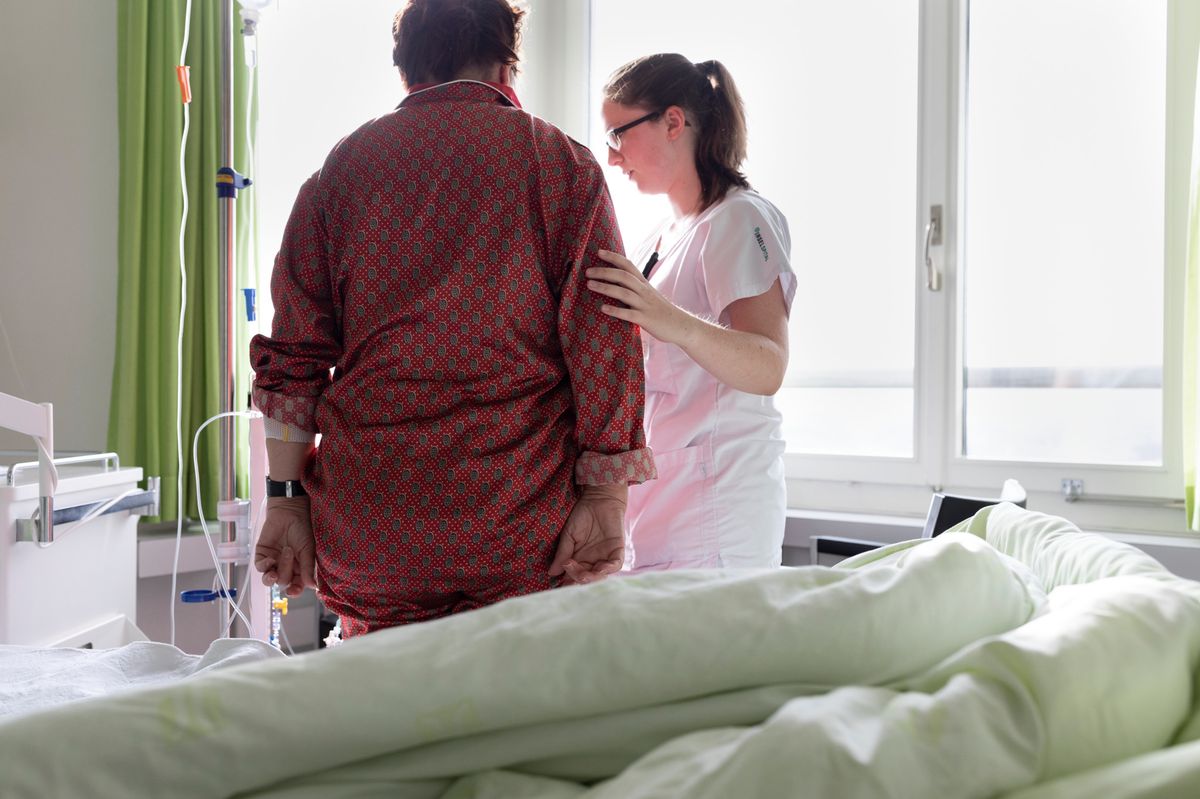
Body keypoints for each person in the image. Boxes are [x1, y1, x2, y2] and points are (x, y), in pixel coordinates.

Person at [249, 0, 655, 638]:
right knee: (511, 724)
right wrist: (606, 494)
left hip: (373, 531)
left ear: (407, 71)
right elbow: (604, 338)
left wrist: (284, 501)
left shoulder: (340, 174)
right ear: (505, 65)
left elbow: (293, 356)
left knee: (388, 719)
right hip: (518, 524)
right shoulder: (562, 167)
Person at [588, 53, 795, 570]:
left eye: (618, 135)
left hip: (720, 505)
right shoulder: (659, 238)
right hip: (664, 501)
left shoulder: (740, 218)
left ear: (673, 122)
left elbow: (768, 366)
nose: (612, 157)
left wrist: (671, 321)